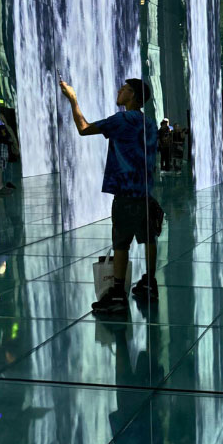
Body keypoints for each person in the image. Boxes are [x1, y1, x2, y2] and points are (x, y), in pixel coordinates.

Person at [59, 77, 161, 311]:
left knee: (121, 243)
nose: (119, 91)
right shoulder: (151, 123)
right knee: (148, 238)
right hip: (146, 193)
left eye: (124, 89)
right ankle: (149, 283)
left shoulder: (122, 119)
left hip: (125, 194)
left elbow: (83, 128)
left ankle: (117, 294)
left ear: (133, 95)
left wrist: (73, 99)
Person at [0, 107, 18, 195]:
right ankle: (0, 186)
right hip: (0, 144)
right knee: (0, 165)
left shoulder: (0, 118)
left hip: (3, 144)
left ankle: (1, 185)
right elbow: (1, 132)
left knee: (1, 164)